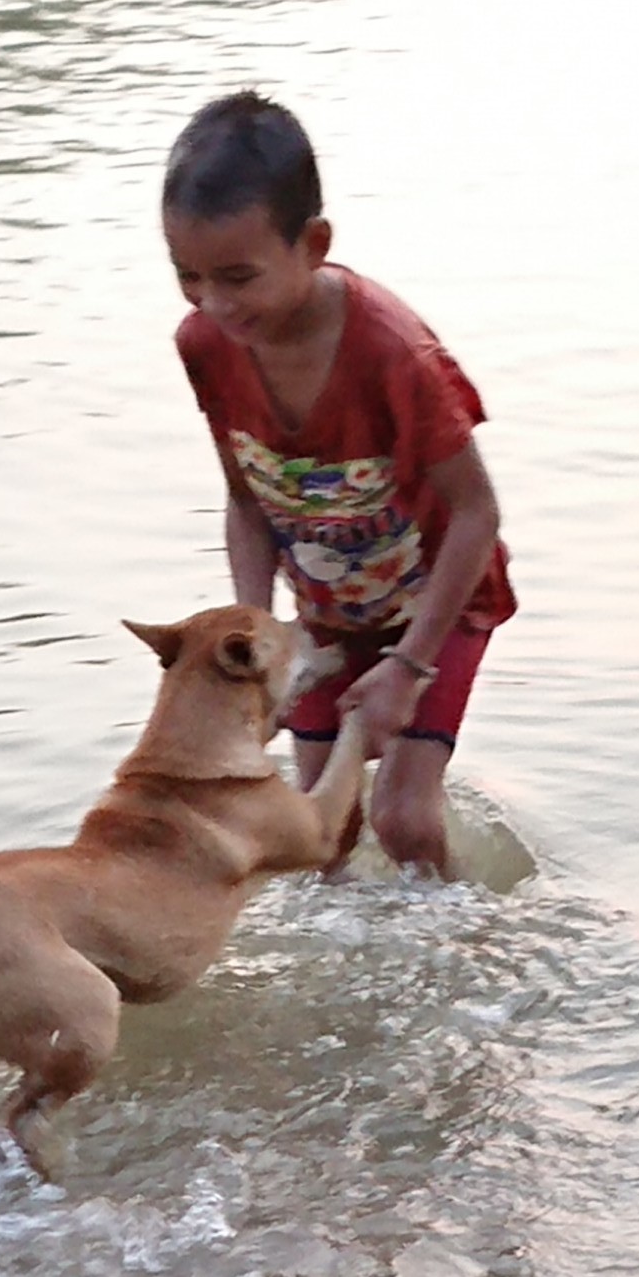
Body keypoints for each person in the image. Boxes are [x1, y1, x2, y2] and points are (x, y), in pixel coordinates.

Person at [162, 90, 516, 876]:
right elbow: (247, 501)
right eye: (188, 276)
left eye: (238, 277)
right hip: (327, 613)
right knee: (319, 833)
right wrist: (255, 631)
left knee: (404, 820)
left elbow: (476, 512)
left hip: (440, 606)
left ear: (313, 244)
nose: (214, 304)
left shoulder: (391, 354)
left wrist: (410, 667)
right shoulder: (207, 345)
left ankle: (466, 966)